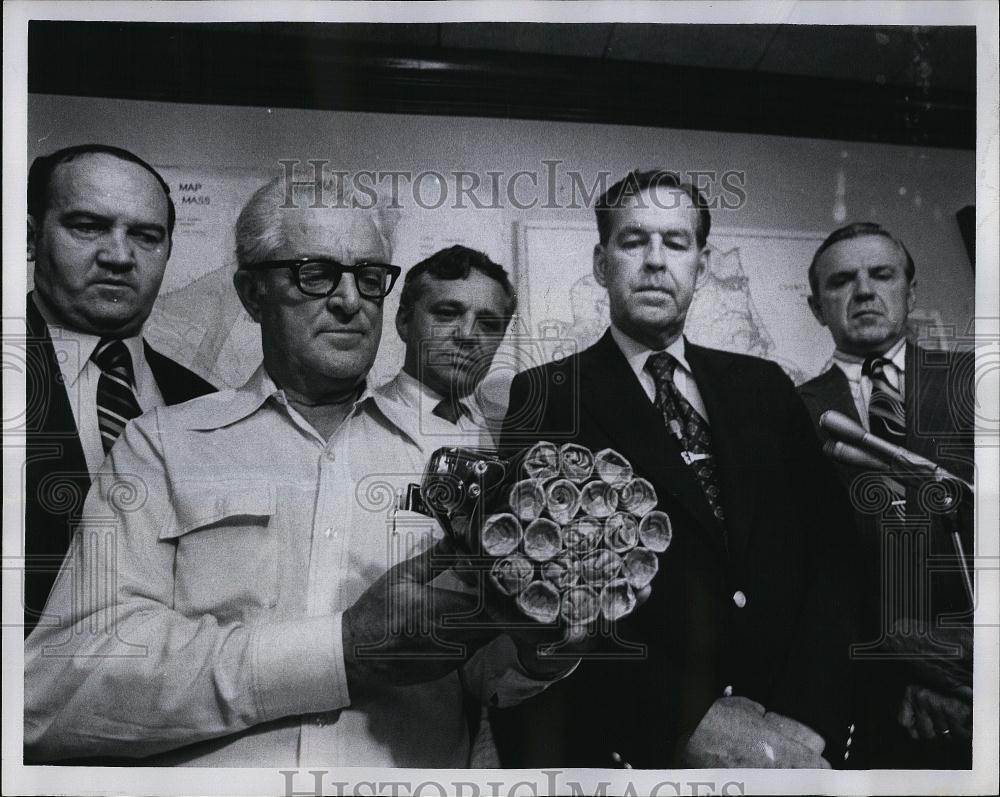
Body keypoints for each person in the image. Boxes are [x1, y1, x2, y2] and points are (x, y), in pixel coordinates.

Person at [24, 175, 568, 767]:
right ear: (253, 293)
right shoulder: (162, 445)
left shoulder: (459, 471)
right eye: (315, 273)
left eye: (368, 278)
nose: (349, 300)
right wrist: (342, 650)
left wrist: (542, 643)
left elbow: (482, 680)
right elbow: (54, 694)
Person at [490, 169, 857, 769]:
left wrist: (807, 722)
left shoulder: (765, 387)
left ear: (701, 264)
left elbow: (833, 554)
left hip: (799, 739)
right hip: (652, 744)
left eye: (676, 242)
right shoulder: (549, 394)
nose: (656, 261)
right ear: (602, 262)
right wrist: (688, 726)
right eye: (634, 241)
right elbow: (551, 593)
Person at [798, 222, 974, 768]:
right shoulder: (785, 415)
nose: (865, 291)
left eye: (882, 275)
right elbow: (804, 577)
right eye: (842, 281)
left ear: (911, 292)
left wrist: (956, 668)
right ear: (816, 306)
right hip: (872, 700)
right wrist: (904, 672)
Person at [24, 144, 215, 634]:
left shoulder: (204, 403)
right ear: (29, 236)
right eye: (87, 227)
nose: (119, 256)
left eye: (146, 236)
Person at [376, 245, 517, 452]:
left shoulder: (511, 430)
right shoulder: (356, 419)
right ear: (404, 321)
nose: (467, 335)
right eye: (447, 314)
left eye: (488, 325)